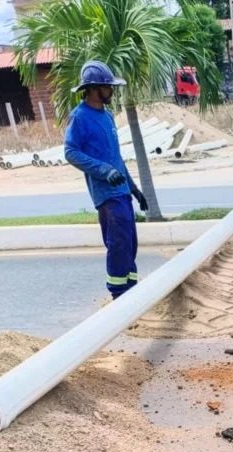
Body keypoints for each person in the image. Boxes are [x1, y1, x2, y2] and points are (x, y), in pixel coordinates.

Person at [64, 60, 149, 300]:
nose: (111, 91)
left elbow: (116, 157)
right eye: (107, 87)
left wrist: (134, 189)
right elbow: (70, 152)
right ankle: (118, 294)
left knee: (130, 243)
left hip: (121, 191)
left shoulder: (107, 115)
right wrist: (103, 170)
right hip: (106, 194)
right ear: (93, 89)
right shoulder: (79, 117)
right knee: (118, 243)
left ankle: (131, 291)